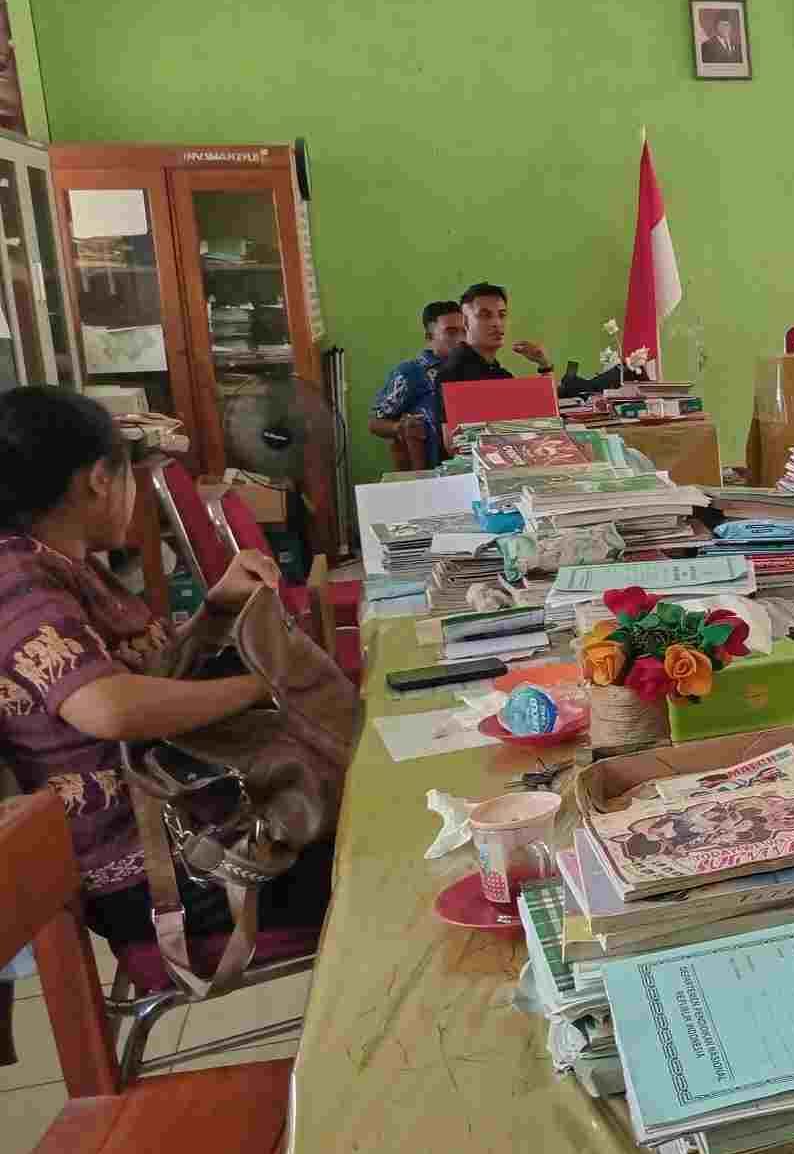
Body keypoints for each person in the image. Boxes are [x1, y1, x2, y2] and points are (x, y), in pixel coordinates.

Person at [0, 387, 333, 944]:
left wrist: (216, 610)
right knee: (375, 850)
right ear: (100, 479)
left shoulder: (62, 562)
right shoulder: (18, 582)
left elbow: (150, 677)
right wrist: (262, 686)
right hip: (168, 869)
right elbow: (110, 708)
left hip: (198, 822)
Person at [437, 282, 554, 449]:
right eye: (485, 315)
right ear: (465, 322)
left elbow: (546, 421)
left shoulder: (499, 373)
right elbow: (454, 446)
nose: (497, 323)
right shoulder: (453, 373)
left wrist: (544, 365)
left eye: (502, 315)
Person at [368, 298, 464, 470]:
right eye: (451, 332)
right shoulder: (411, 373)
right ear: (429, 337)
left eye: (465, 331)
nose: (461, 339)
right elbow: (375, 423)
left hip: (474, 465)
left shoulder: (475, 369)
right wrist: (399, 427)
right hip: (433, 472)